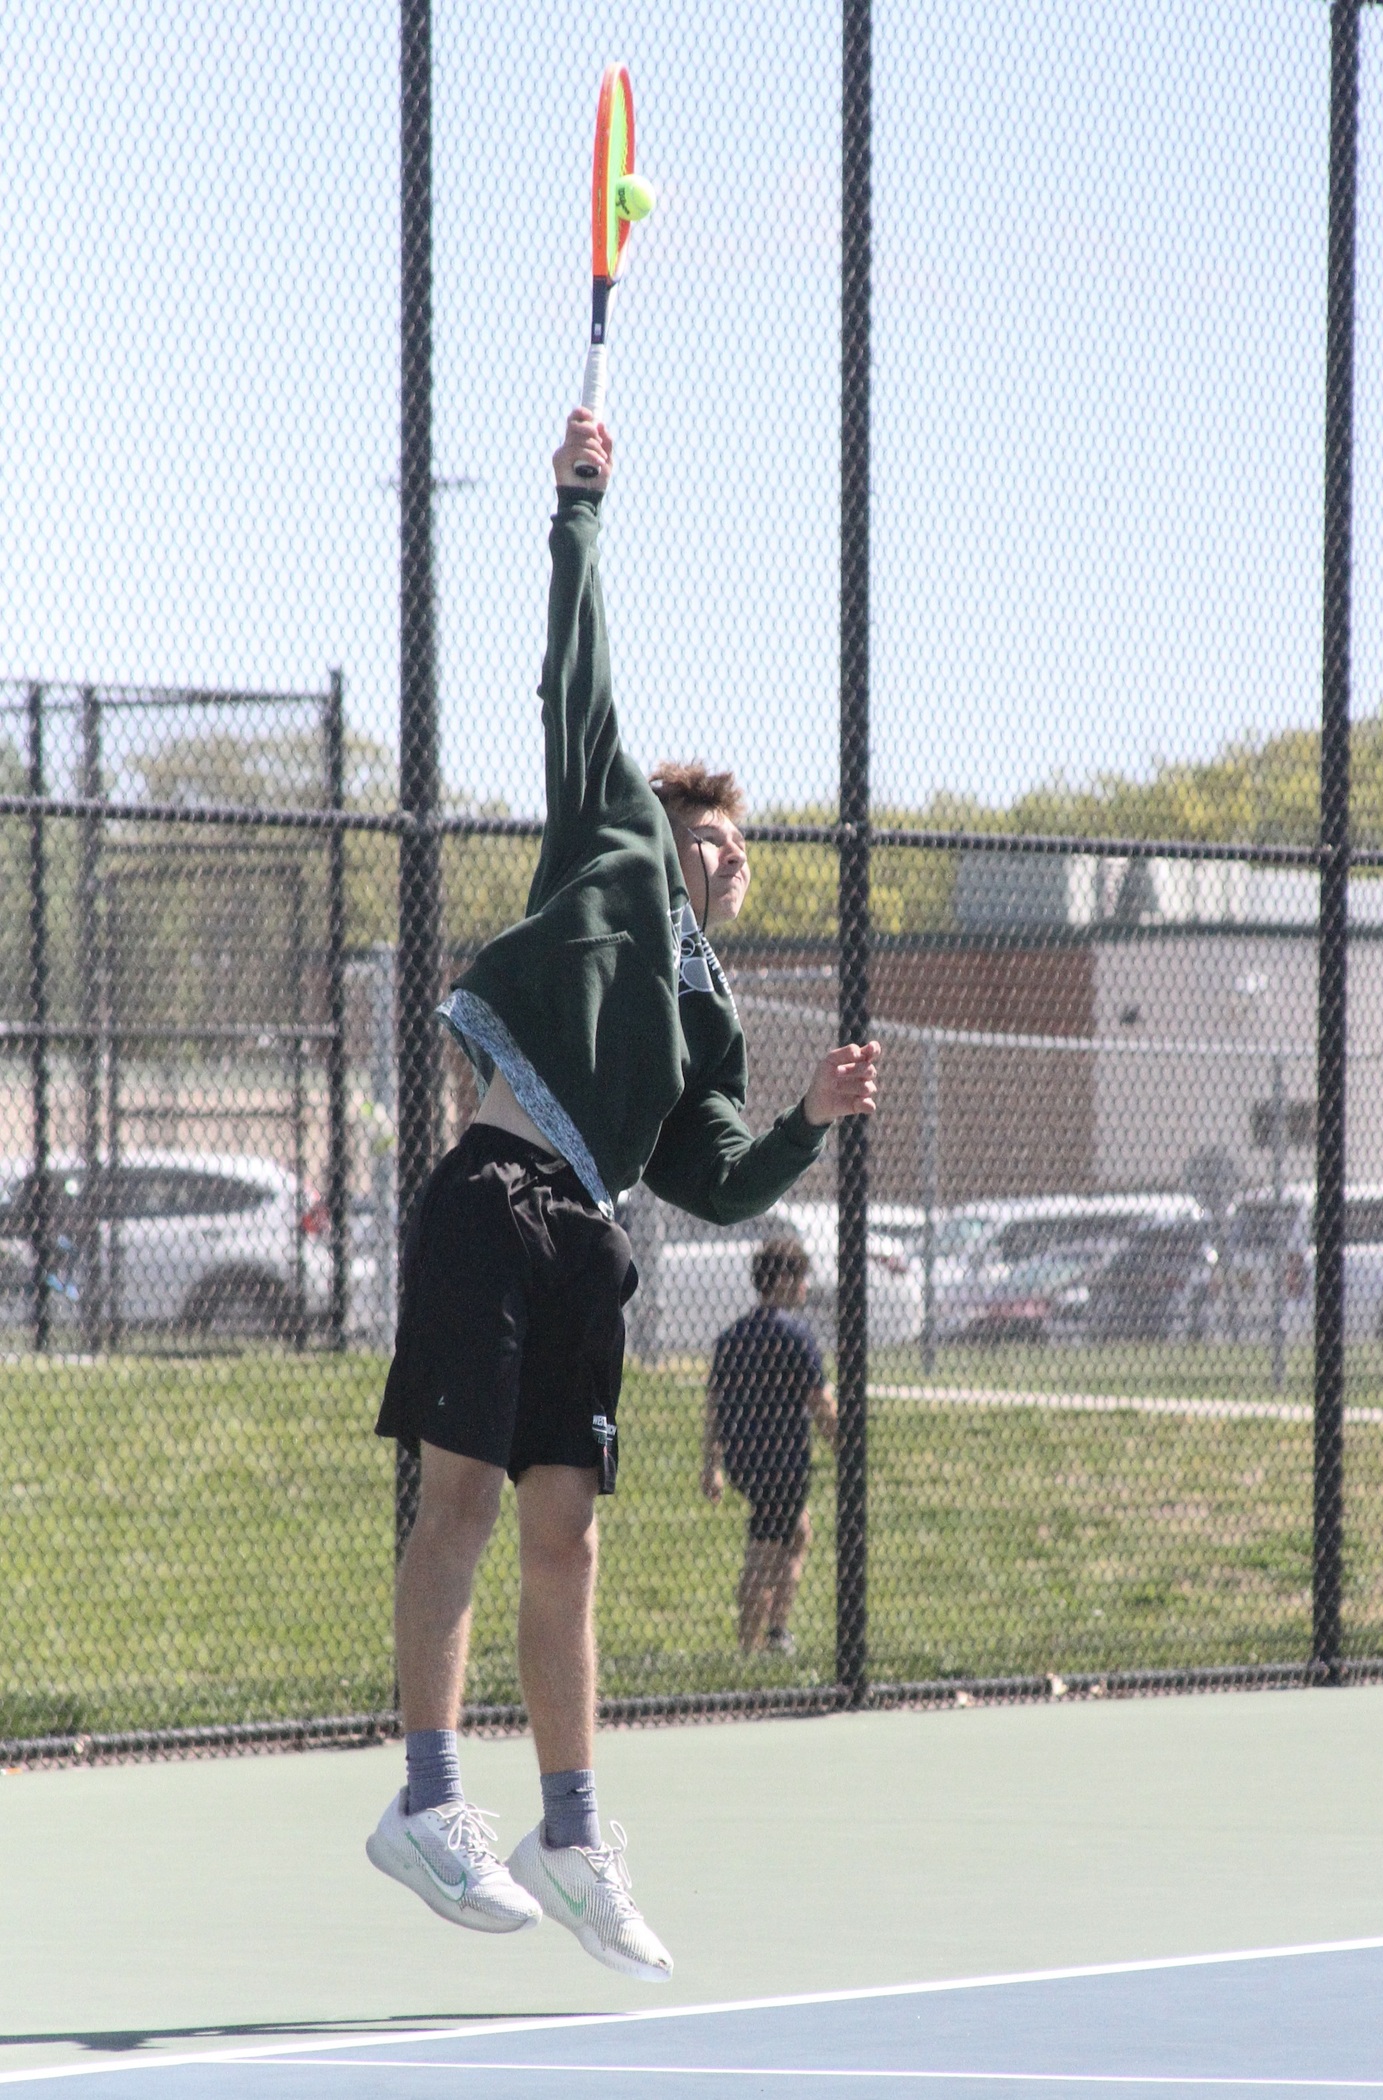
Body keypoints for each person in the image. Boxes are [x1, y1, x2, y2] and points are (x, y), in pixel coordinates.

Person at [365, 406, 881, 1982]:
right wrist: (578, 509)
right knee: (456, 1501)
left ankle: (572, 1830)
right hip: (495, 1191)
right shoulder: (607, 837)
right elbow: (574, 666)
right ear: (667, 829)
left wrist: (802, 1118)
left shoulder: (709, 1018)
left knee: (568, 1541)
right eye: (712, 833)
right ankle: (429, 1800)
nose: (730, 854)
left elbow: (714, 1184)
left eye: (741, 848)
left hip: (591, 1235)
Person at [703, 1236, 838, 1655]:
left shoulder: (732, 1336)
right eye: (800, 1280)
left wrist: (713, 1465)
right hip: (784, 1463)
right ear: (781, 1280)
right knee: (764, 1551)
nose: (805, 1289)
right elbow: (821, 1404)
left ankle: (777, 1632)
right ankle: (750, 1648)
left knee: (798, 1531)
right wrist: (845, 1445)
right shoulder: (796, 1335)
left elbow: (714, 1406)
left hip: (746, 1460)